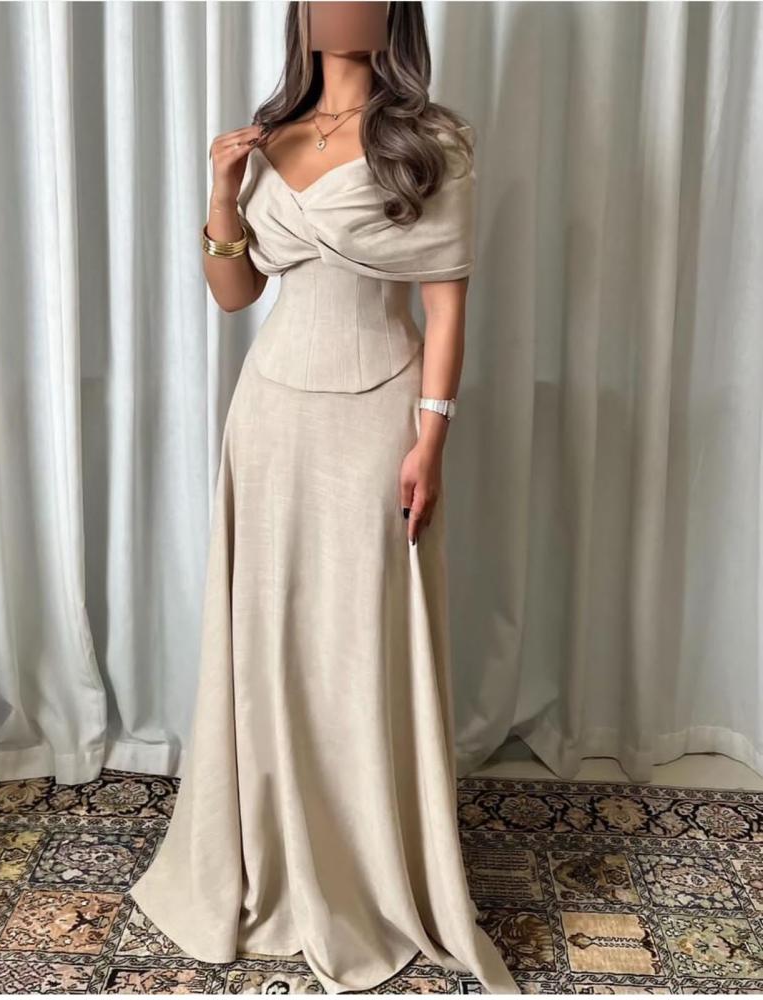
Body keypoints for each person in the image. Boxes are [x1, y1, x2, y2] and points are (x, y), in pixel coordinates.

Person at [127, 2, 520, 994]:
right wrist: (222, 193)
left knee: (358, 636)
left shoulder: (430, 141)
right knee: (269, 636)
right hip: (268, 416)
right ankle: (269, 845)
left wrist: (431, 436)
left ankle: (365, 865)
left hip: (376, 415)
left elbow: (445, 305)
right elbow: (234, 295)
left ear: (393, 11)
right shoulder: (267, 136)